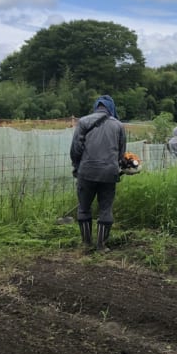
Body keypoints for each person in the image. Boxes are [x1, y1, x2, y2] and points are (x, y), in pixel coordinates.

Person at [70, 95, 126, 251]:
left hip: (86, 171)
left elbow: (76, 149)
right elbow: (121, 153)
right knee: (105, 208)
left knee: (84, 207)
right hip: (109, 172)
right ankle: (101, 245)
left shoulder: (83, 122)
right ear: (111, 108)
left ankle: (86, 243)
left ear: (97, 106)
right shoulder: (119, 126)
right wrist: (117, 166)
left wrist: (77, 167)